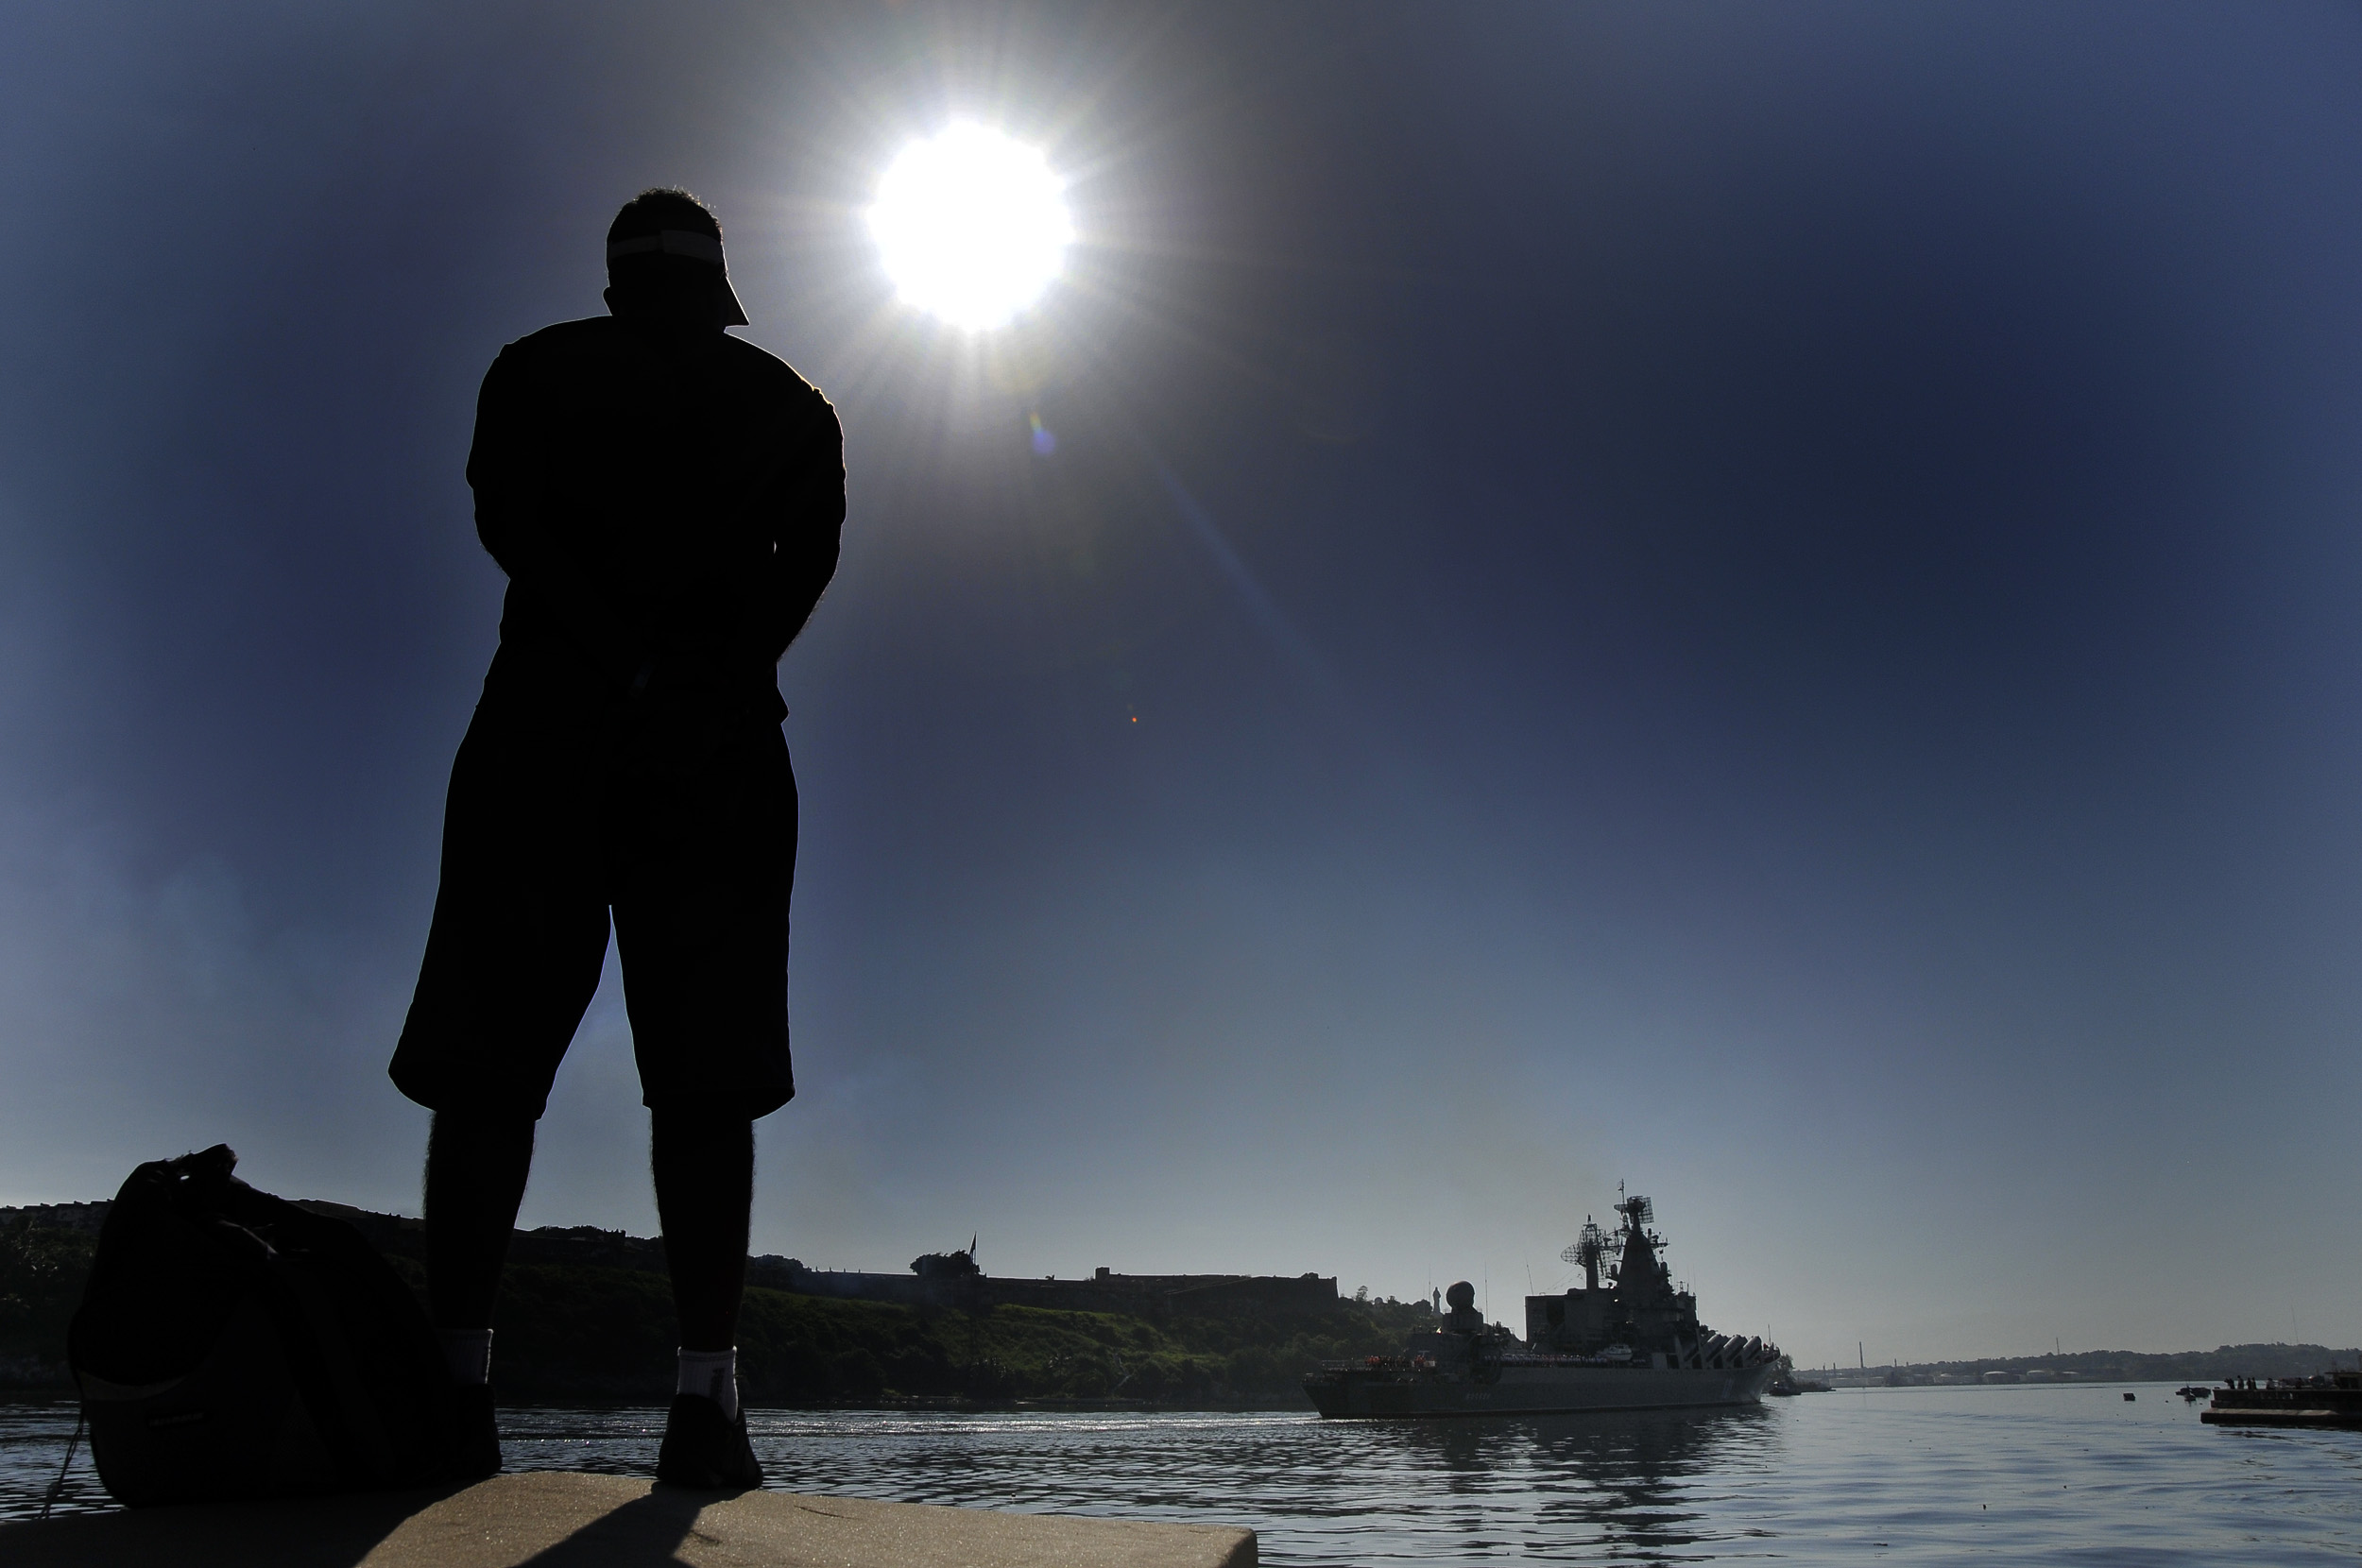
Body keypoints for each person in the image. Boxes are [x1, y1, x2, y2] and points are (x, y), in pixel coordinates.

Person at [387, 187, 844, 1488]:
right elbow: (805, 567)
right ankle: (705, 1405)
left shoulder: (533, 371)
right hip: (719, 752)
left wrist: (610, 659)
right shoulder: (793, 406)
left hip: (542, 732)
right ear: (716, 290)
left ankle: (457, 1396)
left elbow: (508, 524)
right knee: (708, 1084)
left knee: (489, 1071)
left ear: (613, 286)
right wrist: (710, 677)